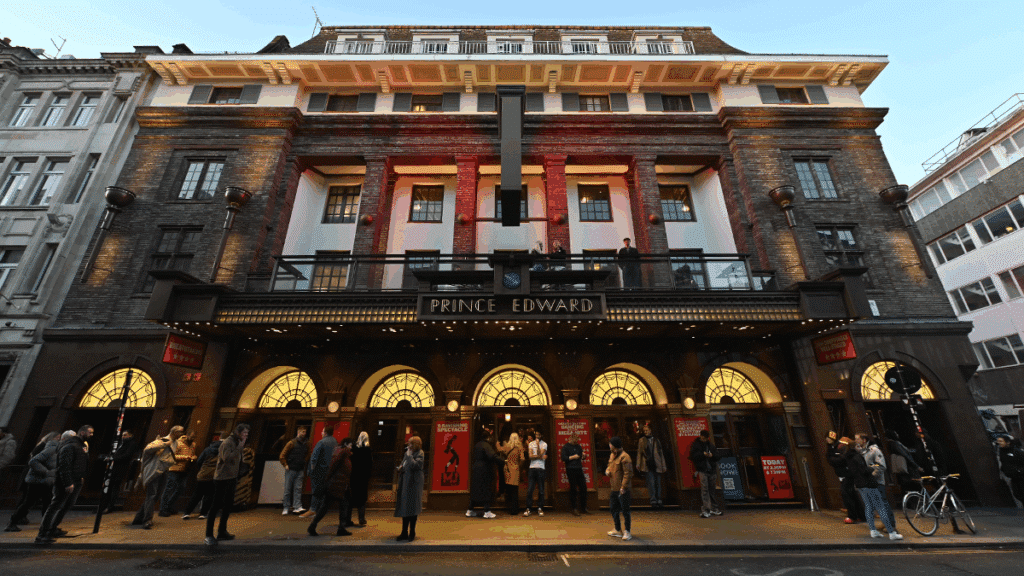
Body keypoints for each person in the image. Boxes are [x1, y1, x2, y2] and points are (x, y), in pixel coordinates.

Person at [36, 426, 93, 545]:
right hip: (67, 481)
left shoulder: (81, 446)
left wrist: (81, 477)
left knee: (67, 505)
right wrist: (68, 482)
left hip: (77, 480)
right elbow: (64, 466)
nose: (91, 435)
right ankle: (43, 534)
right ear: (82, 432)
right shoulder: (70, 446)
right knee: (55, 506)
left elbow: (81, 463)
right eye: (90, 432)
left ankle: (52, 529)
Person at [845, 438, 903, 540]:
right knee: (881, 507)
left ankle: (873, 530)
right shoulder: (857, 457)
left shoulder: (848, 457)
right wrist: (871, 468)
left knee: (868, 507)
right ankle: (891, 532)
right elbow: (864, 470)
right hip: (868, 483)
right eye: (857, 446)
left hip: (859, 484)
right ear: (854, 447)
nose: (859, 448)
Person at [204, 423, 249, 546]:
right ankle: (208, 534)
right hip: (222, 478)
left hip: (232, 477)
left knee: (228, 505)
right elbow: (226, 458)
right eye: (244, 433)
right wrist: (239, 448)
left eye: (247, 433)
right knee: (215, 505)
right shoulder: (228, 442)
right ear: (238, 432)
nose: (246, 435)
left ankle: (222, 531)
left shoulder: (236, 442)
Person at [6, 432, 59, 531]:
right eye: (58, 438)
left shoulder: (51, 448)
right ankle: (13, 521)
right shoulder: (50, 448)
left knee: (46, 503)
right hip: (38, 480)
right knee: (29, 503)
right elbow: (34, 461)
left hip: (44, 480)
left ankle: (47, 526)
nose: (59, 439)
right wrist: (46, 472)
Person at [134, 425, 182, 528]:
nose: (182, 434)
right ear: (174, 432)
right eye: (180, 432)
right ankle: (147, 520)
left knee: (155, 496)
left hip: (164, 471)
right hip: (154, 471)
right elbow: (147, 450)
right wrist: (164, 444)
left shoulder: (176, 443)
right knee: (151, 495)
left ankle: (138, 517)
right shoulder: (163, 440)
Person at [308, 437, 353, 537]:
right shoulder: (343, 453)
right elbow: (333, 466)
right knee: (340, 506)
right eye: (350, 445)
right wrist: (327, 479)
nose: (351, 447)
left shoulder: (340, 452)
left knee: (328, 506)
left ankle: (313, 525)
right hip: (338, 485)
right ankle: (340, 528)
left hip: (339, 484)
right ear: (346, 444)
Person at [854, 433, 895, 529]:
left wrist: (871, 476)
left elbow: (881, 466)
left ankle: (891, 525)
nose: (856, 441)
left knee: (883, 503)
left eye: (857, 439)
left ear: (864, 440)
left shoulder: (874, 450)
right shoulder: (861, 452)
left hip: (877, 482)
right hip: (868, 483)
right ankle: (885, 523)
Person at [825, 432, 865, 524]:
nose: (828, 439)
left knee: (846, 494)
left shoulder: (841, 447)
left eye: (829, 438)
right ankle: (861, 516)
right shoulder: (832, 448)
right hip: (845, 473)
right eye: (827, 437)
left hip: (848, 473)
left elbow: (842, 459)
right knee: (852, 494)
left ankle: (852, 516)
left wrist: (833, 460)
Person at [182, 434, 221, 520]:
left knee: (197, 494)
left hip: (203, 474)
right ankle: (203, 513)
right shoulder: (222, 451)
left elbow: (199, 461)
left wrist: (202, 469)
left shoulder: (207, 449)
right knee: (209, 495)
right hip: (214, 475)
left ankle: (187, 512)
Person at [303, 425, 338, 518]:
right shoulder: (335, 442)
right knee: (324, 491)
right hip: (329, 471)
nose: (321, 433)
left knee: (316, 491)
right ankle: (321, 511)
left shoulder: (321, 442)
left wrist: (311, 470)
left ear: (325, 433)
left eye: (322, 431)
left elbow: (314, 458)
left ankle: (313, 510)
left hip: (318, 470)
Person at [101, 429, 139, 514]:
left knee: (115, 487)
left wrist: (113, 458)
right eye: (122, 435)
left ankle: (110, 506)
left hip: (120, 468)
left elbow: (127, 456)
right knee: (110, 486)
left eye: (125, 435)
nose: (123, 437)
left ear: (130, 435)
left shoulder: (131, 444)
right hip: (115, 467)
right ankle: (104, 505)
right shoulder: (122, 443)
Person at [394, 435, 424, 542]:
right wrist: (400, 468)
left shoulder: (420, 453)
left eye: (410, 443)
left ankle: (412, 532)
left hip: (414, 484)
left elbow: (416, 466)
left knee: (413, 508)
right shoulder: (407, 453)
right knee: (405, 507)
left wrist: (410, 456)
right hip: (405, 483)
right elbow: (404, 464)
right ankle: (404, 532)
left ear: (415, 444)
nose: (408, 445)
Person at [467, 433, 503, 518]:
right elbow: (492, 456)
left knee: (476, 490)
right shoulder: (486, 445)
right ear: (488, 437)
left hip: (476, 469)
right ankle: (487, 511)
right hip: (484, 470)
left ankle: (469, 510)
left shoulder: (477, 445)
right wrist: (502, 461)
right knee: (486, 490)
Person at [688, 429, 723, 518]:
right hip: (703, 470)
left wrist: (712, 455)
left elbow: (718, 456)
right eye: (702, 438)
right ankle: (706, 509)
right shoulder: (696, 445)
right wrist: (702, 454)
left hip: (711, 470)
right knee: (705, 490)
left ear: (707, 438)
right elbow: (692, 456)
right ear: (700, 436)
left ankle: (714, 508)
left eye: (705, 438)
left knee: (711, 490)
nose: (703, 439)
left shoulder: (711, 445)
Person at [160, 432, 196, 516]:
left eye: (194, 438)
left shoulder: (193, 444)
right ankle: (163, 509)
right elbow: (172, 456)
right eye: (191, 437)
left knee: (180, 489)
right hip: (174, 468)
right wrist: (186, 457)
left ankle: (169, 506)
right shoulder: (178, 443)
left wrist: (193, 458)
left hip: (185, 469)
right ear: (187, 436)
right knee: (169, 489)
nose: (193, 439)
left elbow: (192, 455)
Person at [605, 436, 633, 541]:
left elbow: (628, 473)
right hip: (614, 487)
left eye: (610, 444)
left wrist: (624, 486)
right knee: (613, 508)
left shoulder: (625, 457)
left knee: (625, 510)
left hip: (622, 489)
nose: (609, 445)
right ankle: (617, 529)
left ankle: (627, 531)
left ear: (614, 445)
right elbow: (609, 466)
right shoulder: (612, 455)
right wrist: (607, 470)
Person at [279, 427, 309, 516]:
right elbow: (282, 455)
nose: (304, 433)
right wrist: (285, 464)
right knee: (288, 489)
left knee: (298, 489)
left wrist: (304, 461)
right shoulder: (291, 443)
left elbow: (307, 454)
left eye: (305, 432)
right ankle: (286, 507)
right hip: (291, 468)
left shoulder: (306, 443)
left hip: (300, 468)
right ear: (298, 432)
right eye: (302, 431)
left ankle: (297, 506)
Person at [636, 425, 667, 508]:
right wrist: (638, 463)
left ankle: (659, 498)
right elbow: (639, 452)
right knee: (651, 482)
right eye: (644, 431)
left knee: (658, 482)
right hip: (647, 464)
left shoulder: (656, 440)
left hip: (657, 463)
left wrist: (663, 465)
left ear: (650, 430)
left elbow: (661, 453)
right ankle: (653, 499)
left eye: (647, 430)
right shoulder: (642, 440)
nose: (645, 432)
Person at [346, 431, 372, 527]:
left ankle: (347, 519)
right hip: (363, 477)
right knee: (362, 499)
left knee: (350, 498)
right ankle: (361, 518)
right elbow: (370, 464)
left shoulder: (354, 448)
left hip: (353, 475)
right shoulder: (368, 450)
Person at [886, 431, 922, 496]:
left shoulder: (892, 444)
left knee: (907, 486)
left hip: (904, 468)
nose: (897, 434)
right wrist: (916, 466)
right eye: (895, 433)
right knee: (913, 485)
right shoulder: (895, 444)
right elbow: (905, 455)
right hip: (907, 468)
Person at [561, 433, 588, 515]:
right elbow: (563, 458)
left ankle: (583, 508)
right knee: (573, 488)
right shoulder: (566, 447)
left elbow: (581, 456)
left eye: (577, 440)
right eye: (575, 440)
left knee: (583, 487)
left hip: (579, 468)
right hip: (570, 469)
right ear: (571, 439)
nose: (576, 442)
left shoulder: (578, 446)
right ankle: (574, 508)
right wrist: (573, 457)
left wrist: (584, 456)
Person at [523, 429, 548, 516]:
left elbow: (540, 454)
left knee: (541, 490)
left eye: (538, 435)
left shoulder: (544, 444)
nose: (537, 436)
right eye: (536, 434)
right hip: (532, 468)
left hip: (541, 468)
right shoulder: (531, 444)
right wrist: (540, 456)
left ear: (541, 435)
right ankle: (528, 508)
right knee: (530, 489)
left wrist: (537, 446)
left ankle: (540, 508)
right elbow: (530, 456)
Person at [498, 433, 523, 516]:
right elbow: (522, 458)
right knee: (515, 490)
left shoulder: (507, 446)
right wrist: (519, 465)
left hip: (507, 469)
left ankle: (509, 508)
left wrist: (497, 443)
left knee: (509, 489)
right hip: (515, 469)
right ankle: (514, 509)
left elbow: (500, 449)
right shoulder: (519, 447)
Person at [995, 435, 1024, 505]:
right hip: (1012, 478)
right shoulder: (1001, 452)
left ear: (1007, 442)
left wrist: (1019, 471)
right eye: (998, 441)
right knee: (1017, 494)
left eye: (1001, 441)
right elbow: (1003, 463)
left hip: (1021, 477)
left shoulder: (1017, 451)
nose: (999, 443)